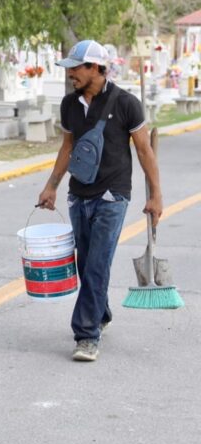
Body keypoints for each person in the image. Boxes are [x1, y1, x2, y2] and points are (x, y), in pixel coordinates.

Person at [37, 39, 162, 362]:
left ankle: (86, 334)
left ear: (96, 68)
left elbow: (144, 150)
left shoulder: (126, 103)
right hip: (79, 194)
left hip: (113, 195)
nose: (71, 75)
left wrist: (156, 195)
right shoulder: (69, 104)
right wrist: (52, 186)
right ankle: (100, 313)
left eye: (76, 68)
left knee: (97, 264)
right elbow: (67, 147)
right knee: (85, 262)